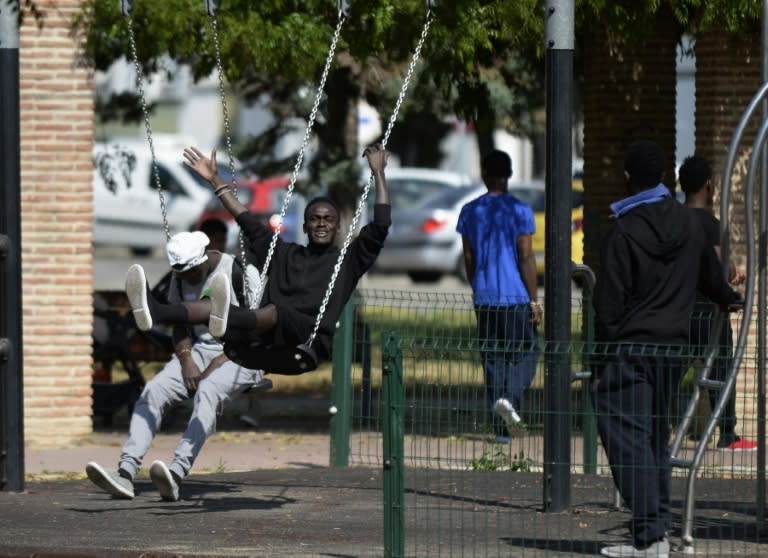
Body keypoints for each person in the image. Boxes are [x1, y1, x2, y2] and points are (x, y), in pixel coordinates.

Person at [592, 140, 743, 558]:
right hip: (673, 350)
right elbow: (712, 279)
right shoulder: (689, 225)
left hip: (634, 346)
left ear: (627, 179)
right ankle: (654, 531)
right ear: (663, 178)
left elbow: (608, 304)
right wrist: (729, 296)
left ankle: (648, 535)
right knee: (655, 436)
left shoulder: (624, 230)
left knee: (627, 434)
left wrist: (601, 358)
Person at [123, 143, 391, 368]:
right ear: (305, 226)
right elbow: (247, 221)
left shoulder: (347, 260)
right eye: (315, 219)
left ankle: (221, 314)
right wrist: (215, 180)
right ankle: (157, 311)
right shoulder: (284, 253)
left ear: (337, 227)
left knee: (274, 310)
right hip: (264, 334)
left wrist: (378, 173)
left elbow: (379, 227)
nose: (321, 224)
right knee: (212, 307)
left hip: (308, 339)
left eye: (328, 220)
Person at [86, 230, 265, 502]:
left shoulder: (241, 273)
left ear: (204, 258)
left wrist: (216, 364)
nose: (187, 279)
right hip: (199, 351)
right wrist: (186, 360)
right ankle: (124, 473)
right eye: (181, 274)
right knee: (154, 391)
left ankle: (176, 474)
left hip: (244, 355)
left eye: (192, 273)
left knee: (208, 390)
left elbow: (261, 330)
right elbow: (181, 324)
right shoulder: (180, 278)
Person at [456, 149, 542, 444]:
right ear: (509, 174)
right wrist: (534, 299)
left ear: (483, 173)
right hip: (515, 296)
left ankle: (501, 430)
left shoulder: (469, 210)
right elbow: (526, 256)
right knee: (527, 352)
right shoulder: (519, 210)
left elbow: (468, 256)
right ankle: (510, 400)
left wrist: (478, 285)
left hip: (485, 296)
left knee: (492, 358)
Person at [679, 155, 755, 451]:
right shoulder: (712, 225)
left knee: (673, 368)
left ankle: (656, 425)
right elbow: (718, 267)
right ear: (709, 186)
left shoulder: (673, 219)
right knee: (723, 367)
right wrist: (735, 274)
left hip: (678, 308)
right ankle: (728, 434)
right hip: (709, 311)